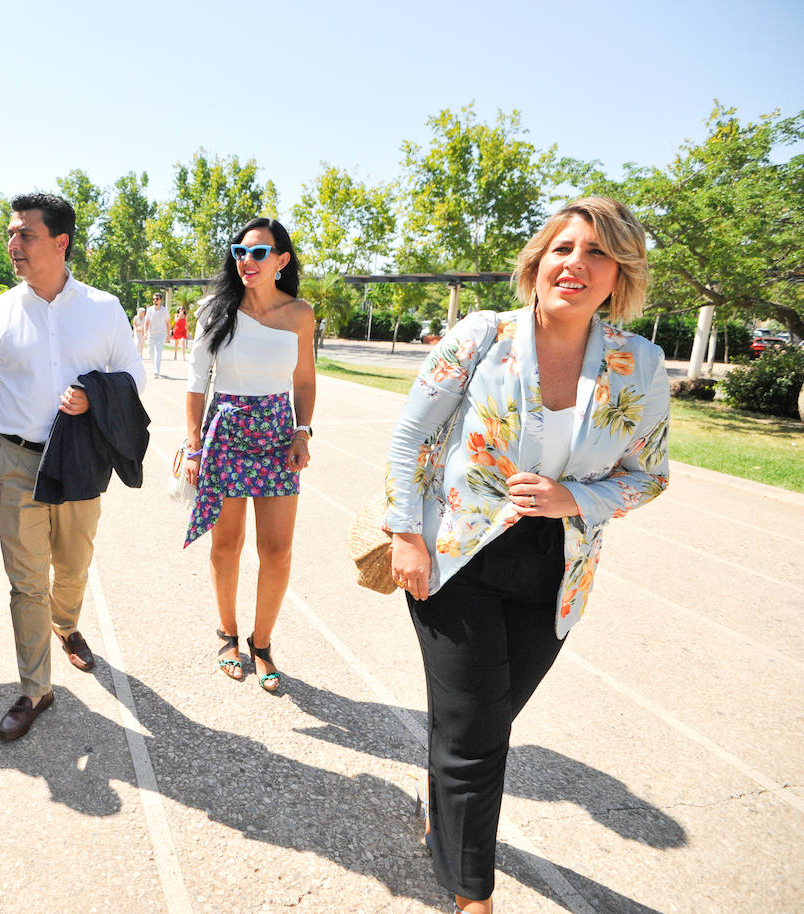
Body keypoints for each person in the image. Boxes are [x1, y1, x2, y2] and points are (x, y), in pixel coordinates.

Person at [382, 197, 670, 914]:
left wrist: (577, 498)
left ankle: (441, 806)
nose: (576, 264)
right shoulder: (483, 336)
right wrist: (404, 534)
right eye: (563, 248)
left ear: (620, 275)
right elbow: (409, 436)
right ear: (537, 262)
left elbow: (650, 476)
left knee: (483, 722)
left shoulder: (640, 363)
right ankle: (471, 896)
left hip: (557, 571)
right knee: (477, 738)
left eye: (597, 252)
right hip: (458, 556)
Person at [0, 192, 145, 741]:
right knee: (27, 581)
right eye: (11, 233)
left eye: (25, 234)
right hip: (15, 461)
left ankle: (67, 624)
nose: (13, 244)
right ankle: (36, 688)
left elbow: (134, 375)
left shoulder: (104, 309)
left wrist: (93, 396)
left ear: (60, 243)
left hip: (81, 458)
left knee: (74, 564)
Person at [182, 218, 316, 693]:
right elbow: (196, 383)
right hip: (226, 435)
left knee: (277, 550)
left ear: (281, 260)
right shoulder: (214, 310)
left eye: (259, 252)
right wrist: (193, 447)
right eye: (240, 251)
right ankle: (228, 635)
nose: (246, 260)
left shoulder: (300, 313)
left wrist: (302, 433)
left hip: (278, 437)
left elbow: (304, 381)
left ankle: (262, 644)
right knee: (227, 544)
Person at [146, 292, 170, 377]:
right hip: (151, 334)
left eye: (157, 299)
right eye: (153, 299)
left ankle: (156, 370)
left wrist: (168, 335)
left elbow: (168, 323)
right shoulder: (150, 310)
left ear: (161, 300)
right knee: (150, 352)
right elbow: (147, 322)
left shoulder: (165, 310)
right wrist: (145, 333)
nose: (155, 301)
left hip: (161, 334)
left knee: (158, 352)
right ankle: (155, 366)